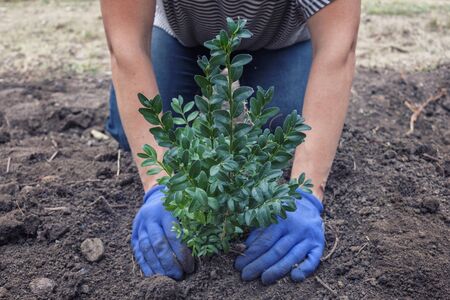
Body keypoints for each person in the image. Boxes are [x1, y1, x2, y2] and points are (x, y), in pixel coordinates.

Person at [100, 0, 360, 285]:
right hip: (181, 34)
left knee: (283, 131)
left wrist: (306, 193)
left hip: (283, 39)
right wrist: (158, 184)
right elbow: (127, 47)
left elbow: (337, 50)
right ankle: (213, 108)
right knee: (135, 133)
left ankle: (232, 107)